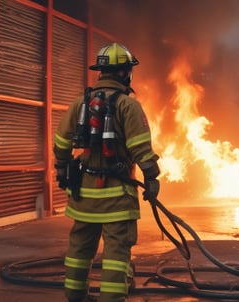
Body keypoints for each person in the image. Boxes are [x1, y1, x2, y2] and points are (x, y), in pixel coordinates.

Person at [54, 42, 160, 302]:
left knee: (79, 248)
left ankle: (75, 295)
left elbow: (61, 142)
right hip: (117, 196)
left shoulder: (80, 104)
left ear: (100, 72)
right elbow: (141, 149)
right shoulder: (128, 105)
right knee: (116, 254)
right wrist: (152, 179)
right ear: (126, 72)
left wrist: (61, 169)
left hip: (84, 195)